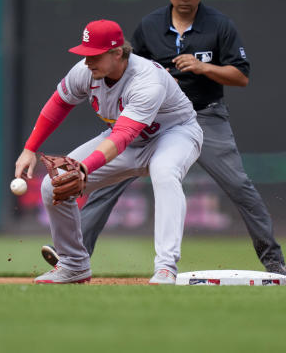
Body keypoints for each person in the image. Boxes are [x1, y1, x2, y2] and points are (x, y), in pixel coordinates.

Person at [40, 0, 286, 275]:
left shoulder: (219, 25)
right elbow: (126, 67)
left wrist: (203, 67)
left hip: (202, 115)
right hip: (148, 118)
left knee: (238, 185)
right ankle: (74, 259)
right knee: (103, 186)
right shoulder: (150, 26)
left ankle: (273, 260)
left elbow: (241, 77)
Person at [16, 19, 203, 284]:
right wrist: (29, 149)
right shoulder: (86, 71)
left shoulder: (147, 80)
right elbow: (58, 105)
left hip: (174, 135)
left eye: (95, 55)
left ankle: (165, 267)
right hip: (128, 139)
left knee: (164, 171)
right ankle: (74, 264)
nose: (88, 61)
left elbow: (124, 136)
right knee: (51, 185)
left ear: (118, 53)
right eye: (85, 53)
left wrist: (84, 168)